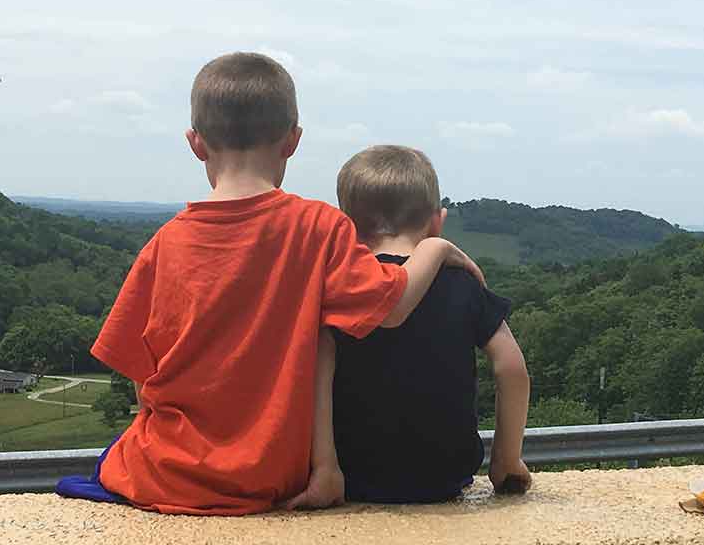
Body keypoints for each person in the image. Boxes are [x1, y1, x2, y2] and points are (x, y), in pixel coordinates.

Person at [77, 53, 484, 516]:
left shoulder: (164, 244)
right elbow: (390, 308)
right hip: (269, 477)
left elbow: (140, 377)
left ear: (196, 143)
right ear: (293, 141)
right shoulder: (320, 228)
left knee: (110, 458)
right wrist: (436, 249)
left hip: (165, 474)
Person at [296, 145, 531, 505]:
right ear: (437, 222)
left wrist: (326, 466)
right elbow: (512, 367)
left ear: (349, 229)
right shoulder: (462, 283)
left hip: (354, 473)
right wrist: (506, 460)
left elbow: (316, 372)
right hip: (445, 475)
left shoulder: (343, 288)